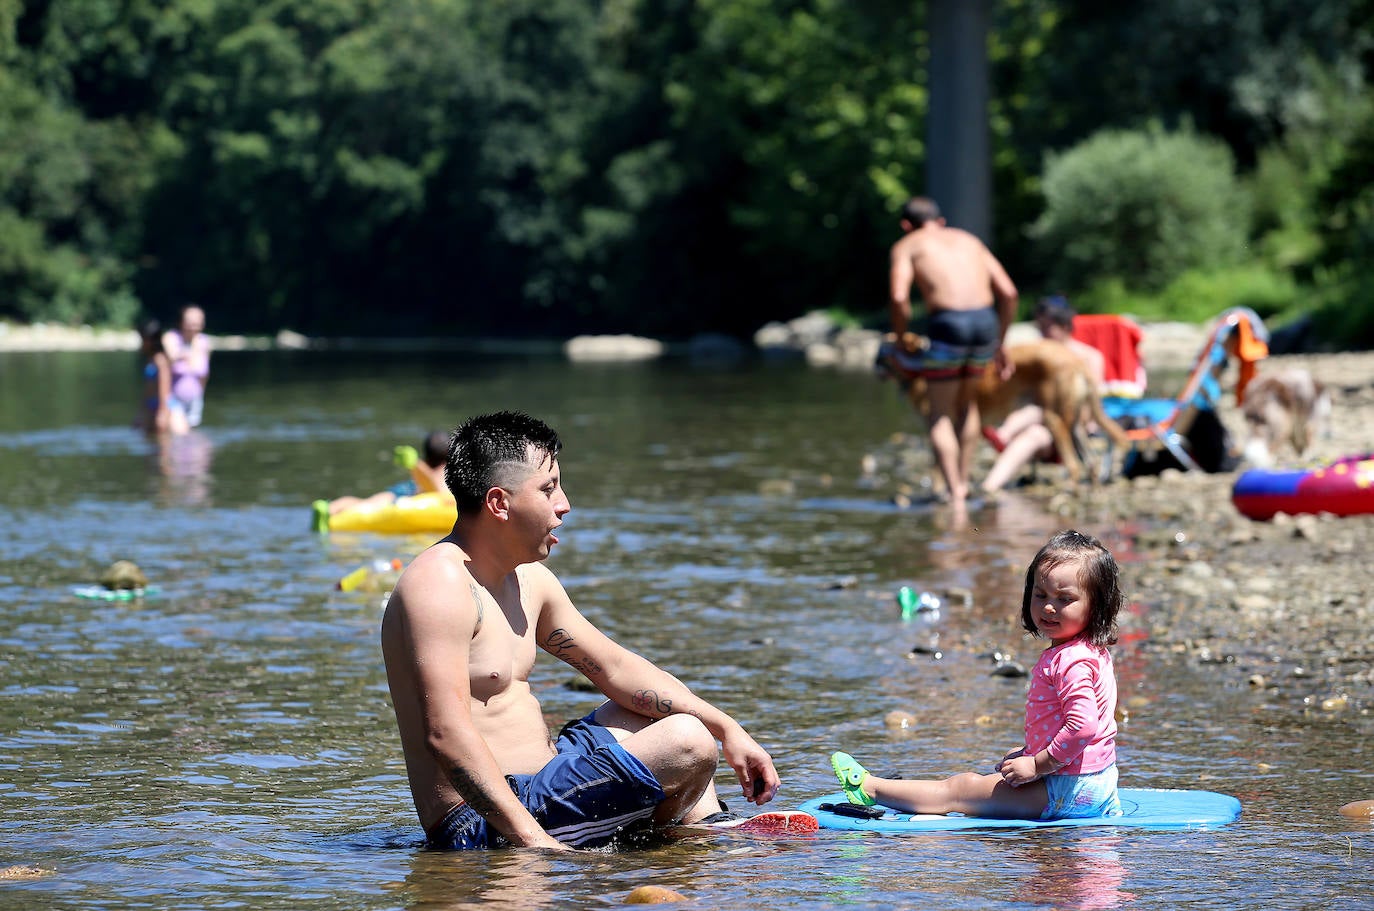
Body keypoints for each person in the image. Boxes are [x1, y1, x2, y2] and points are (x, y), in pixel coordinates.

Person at [380, 411, 782, 851]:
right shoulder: (438, 587)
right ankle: (679, 840)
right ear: (499, 503)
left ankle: (704, 829)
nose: (564, 504)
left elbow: (615, 667)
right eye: (548, 488)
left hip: (549, 780)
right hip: (482, 822)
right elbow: (446, 734)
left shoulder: (528, 579)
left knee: (657, 716)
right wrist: (533, 843)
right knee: (685, 740)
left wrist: (729, 731)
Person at [829, 529, 1123, 821]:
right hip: (1096, 781)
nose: (1048, 606)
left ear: (1096, 607)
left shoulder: (1071, 661)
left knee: (960, 788)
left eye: (1064, 599)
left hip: (1066, 789)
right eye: (1040, 594)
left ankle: (869, 788)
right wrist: (1031, 751)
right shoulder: (1090, 651)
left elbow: (1083, 726)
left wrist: (1037, 764)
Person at [887, 196, 1018, 516]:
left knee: (940, 413)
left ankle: (955, 491)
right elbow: (1010, 293)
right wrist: (999, 342)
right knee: (967, 405)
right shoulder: (970, 240)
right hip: (984, 325)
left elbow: (898, 296)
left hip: (948, 326)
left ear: (906, 225)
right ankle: (963, 478)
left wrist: (902, 337)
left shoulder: (907, 245)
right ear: (940, 221)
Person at [981, 296, 1107, 494]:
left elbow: (1092, 404)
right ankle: (989, 487)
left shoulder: (1089, 357)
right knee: (1035, 424)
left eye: (1047, 328)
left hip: (1073, 426)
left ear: (1065, 326)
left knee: (1034, 428)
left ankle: (1002, 438)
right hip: (1047, 424)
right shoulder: (1039, 358)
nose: (1042, 333)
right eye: (1039, 327)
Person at [316, 430, 451, 524]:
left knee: (369, 502)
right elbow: (438, 491)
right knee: (374, 505)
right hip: (416, 492)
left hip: (410, 487)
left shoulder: (432, 469)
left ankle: (330, 508)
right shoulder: (446, 469)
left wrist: (416, 464)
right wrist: (415, 464)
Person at [162, 304, 211, 433]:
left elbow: (204, 375)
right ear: (182, 321)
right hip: (173, 400)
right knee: (179, 434)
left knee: (191, 437)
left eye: (197, 321)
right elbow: (169, 358)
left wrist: (200, 395)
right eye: (190, 321)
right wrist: (182, 355)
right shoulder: (171, 337)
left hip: (195, 400)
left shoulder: (204, 342)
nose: (194, 324)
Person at [137, 319, 172, 436]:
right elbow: (148, 389)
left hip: (162, 405)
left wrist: (163, 411)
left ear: (150, 340)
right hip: (151, 405)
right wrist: (141, 412)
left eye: (142, 339)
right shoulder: (151, 359)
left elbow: (164, 385)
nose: (141, 342)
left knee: (163, 446)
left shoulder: (160, 359)